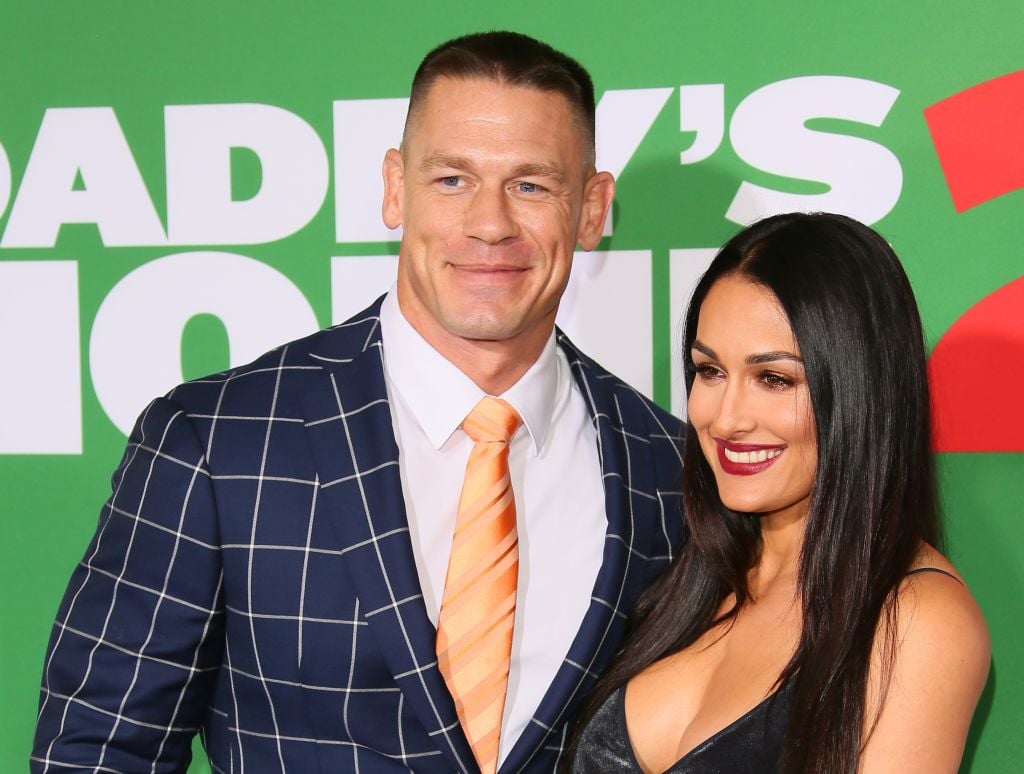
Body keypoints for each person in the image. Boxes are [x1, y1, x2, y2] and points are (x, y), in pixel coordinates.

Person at [31, 32, 685, 774]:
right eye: (452, 180)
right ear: (394, 188)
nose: (490, 223)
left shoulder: (668, 467)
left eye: (531, 185)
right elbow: (100, 749)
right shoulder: (216, 443)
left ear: (593, 209)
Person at [568, 212, 990, 773]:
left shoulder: (918, 621)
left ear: (860, 392)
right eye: (710, 371)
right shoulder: (686, 572)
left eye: (774, 379)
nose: (726, 419)